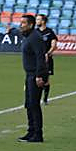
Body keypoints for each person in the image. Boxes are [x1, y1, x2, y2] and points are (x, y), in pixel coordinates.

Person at [17, 14, 49, 142]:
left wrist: (39, 76)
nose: (21, 25)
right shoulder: (28, 36)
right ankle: (31, 131)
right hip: (29, 74)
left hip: (35, 75)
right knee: (29, 104)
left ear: (30, 25)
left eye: (23, 23)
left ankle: (38, 134)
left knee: (34, 105)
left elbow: (40, 57)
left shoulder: (35, 37)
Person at [35, 14, 57, 105]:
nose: (36, 21)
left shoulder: (49, 32)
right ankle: (36, 98)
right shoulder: (35, 32)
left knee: (46, 80)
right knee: (35, 78)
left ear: (43, 21)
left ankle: (45, 99)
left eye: (38, 19)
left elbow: (54, 45)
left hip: (47, 59)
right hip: (36, 59)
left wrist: (47, 54)